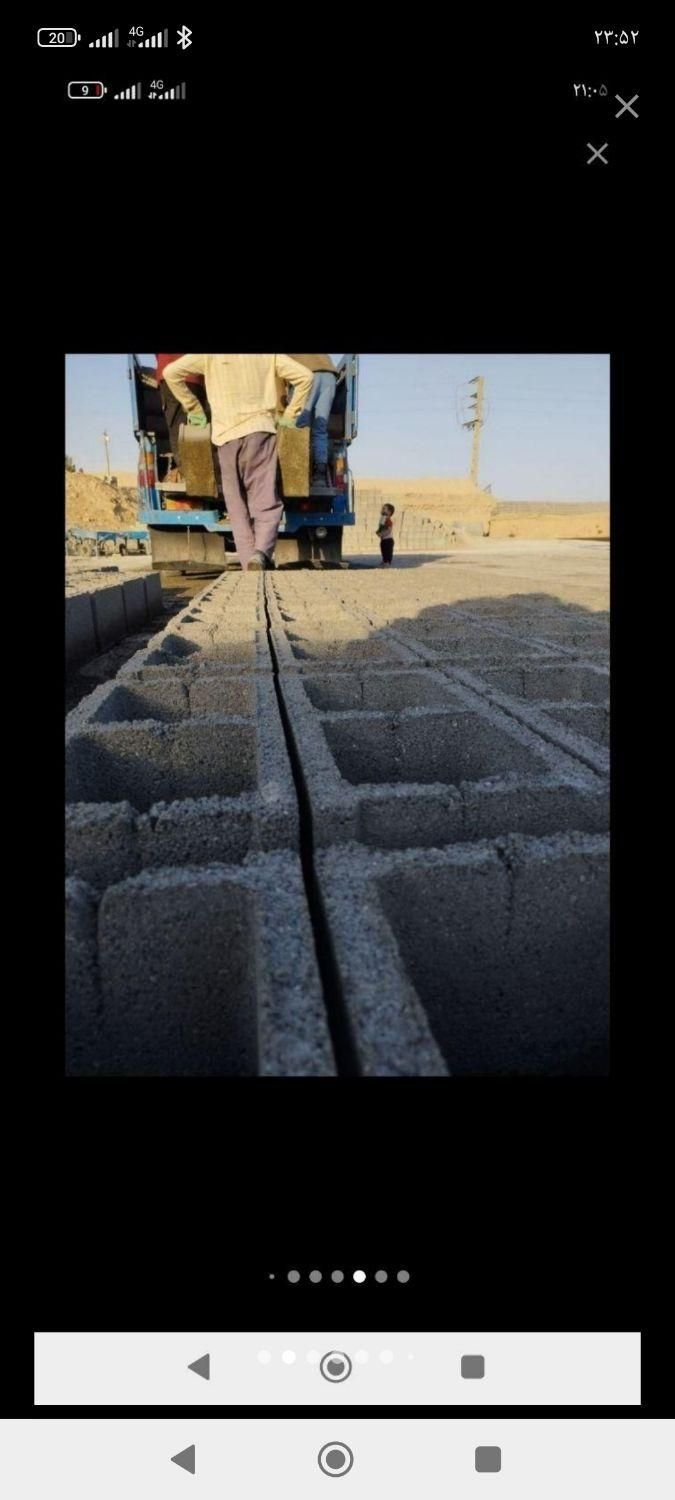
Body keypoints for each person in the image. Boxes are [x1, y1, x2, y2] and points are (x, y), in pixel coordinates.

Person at [162, 355, 314, 570]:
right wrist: (290, 414)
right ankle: (260, 554)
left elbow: (170, 373)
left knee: (236, 505)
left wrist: (194, 408)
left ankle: (248, 561)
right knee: (265, 500)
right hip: (261, 431)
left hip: (225, 436)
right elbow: (306, 377)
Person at [283, 355, 338, 488]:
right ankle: (320, 477)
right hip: (330, 377)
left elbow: (280, 375)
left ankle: (299, 476)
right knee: (320, 429)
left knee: (301, 427)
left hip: (308, 375)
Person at [155, 354, 210, 480]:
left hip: (170, 374)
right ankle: (202, 476)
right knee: (198, 429)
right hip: (196, 376)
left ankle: (191, 478)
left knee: (178, 430)